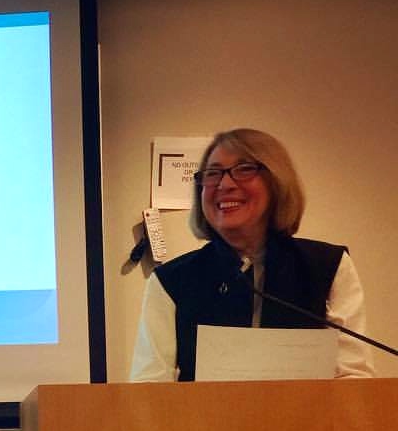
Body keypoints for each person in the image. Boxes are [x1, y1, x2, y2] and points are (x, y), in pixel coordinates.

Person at [131, 127, 375, 381]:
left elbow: (353, 378)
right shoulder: (170, 281)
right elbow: (148, 387)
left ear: (277, 182)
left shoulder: (328, 266)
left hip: (311, 410)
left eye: (244, 169)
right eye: (213, 173)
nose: (225, 184)